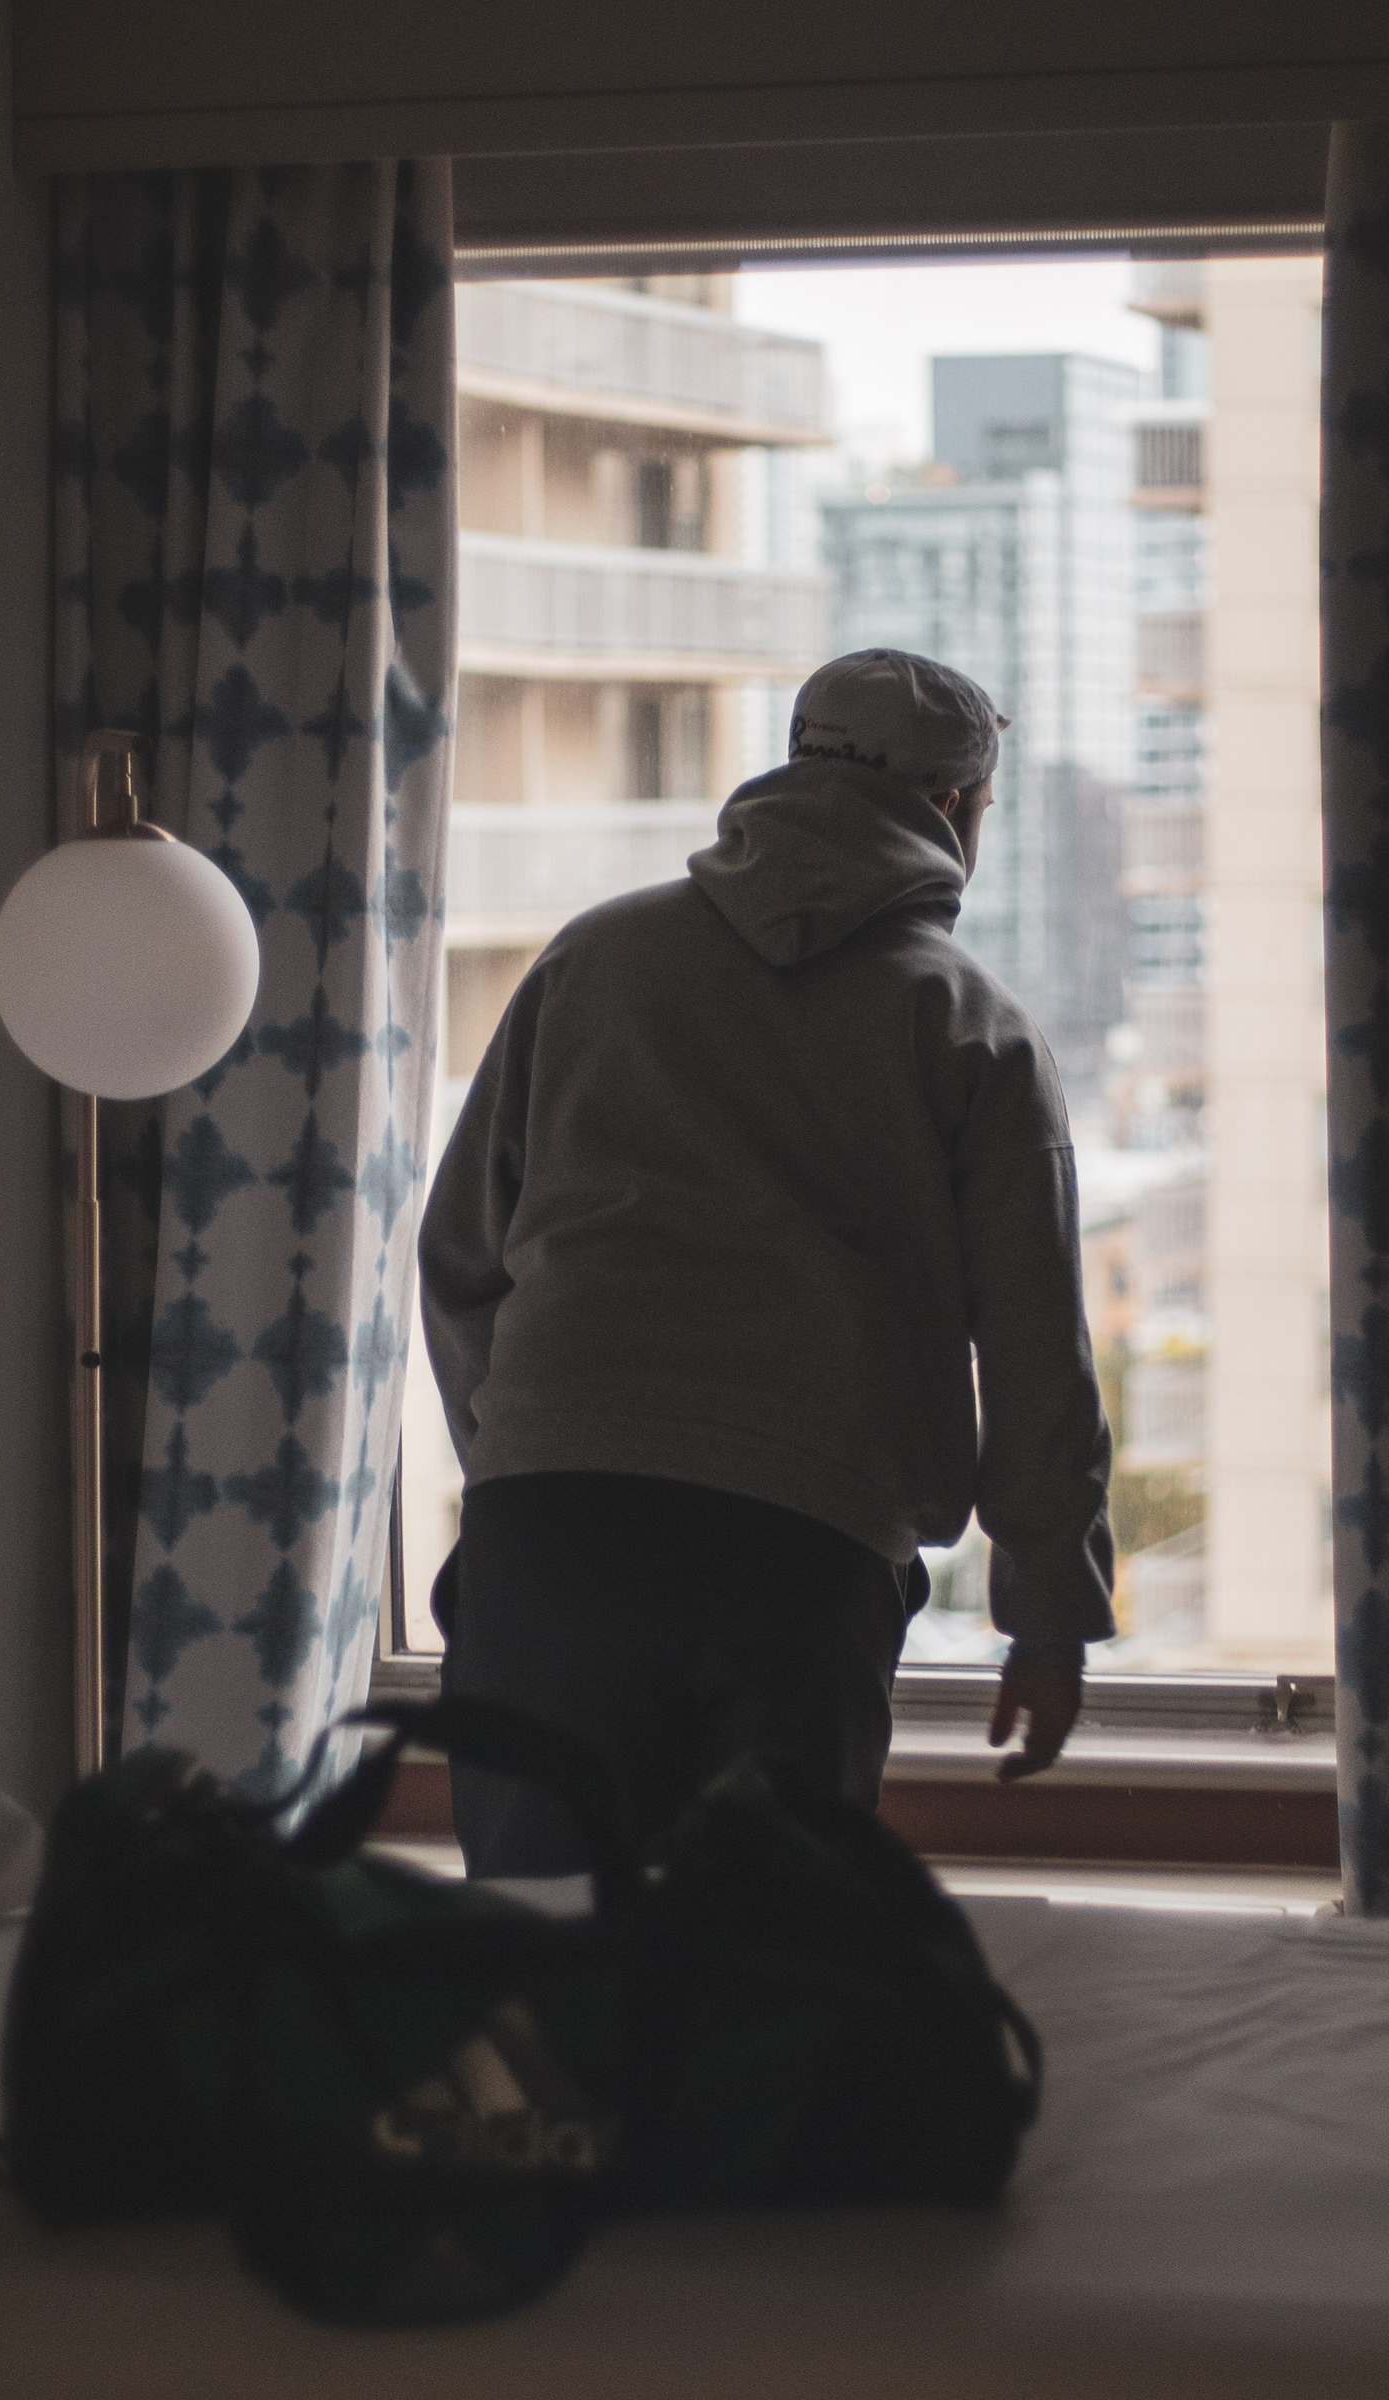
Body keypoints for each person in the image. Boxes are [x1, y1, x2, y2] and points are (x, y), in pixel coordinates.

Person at [418, 647, 1114, 1873]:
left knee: (536, 1937)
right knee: (763, 1945)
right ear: (956, 806)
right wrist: (1048, 1621)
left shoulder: (592, 960)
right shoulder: (972, 1028)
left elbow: (464, 1255)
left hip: (552, 1535)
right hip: (803, 1548)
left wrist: (531, 1457)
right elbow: (1033, 1359)